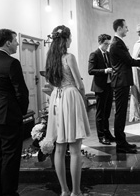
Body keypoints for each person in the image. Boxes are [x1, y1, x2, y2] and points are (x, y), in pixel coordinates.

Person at [43, 25, 91, 196]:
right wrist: (83, 101)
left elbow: (50, 84)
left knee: (60, 148)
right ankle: (76, 191)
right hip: (71, 96)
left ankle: (64, 190)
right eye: (70, 37)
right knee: (75, 148)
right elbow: (80, 84)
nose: (71, 40)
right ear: (65, 39)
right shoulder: (69, 57)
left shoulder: (51, 59)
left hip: (57, 97)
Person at [0, 29, 29, 196]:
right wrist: (22, 112)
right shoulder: (12, 63)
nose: (17, 43)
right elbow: (21, 91)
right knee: (10, 156)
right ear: (8, 43)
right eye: (15, 40)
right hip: (8, 116)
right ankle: (9, 192)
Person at [109, 19, 140, 153]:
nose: (127, 29)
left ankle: (122, 142)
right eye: (126, 27)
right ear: (119, 28)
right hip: (121, 82)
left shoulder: (117, 43)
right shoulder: (117, 43)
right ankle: (121, 144)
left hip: (121, 81)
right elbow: (129, 61)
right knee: (120, 113)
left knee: (121, 112)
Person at [88, 34, 115, 145]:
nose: (107, 46)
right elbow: (91, 71)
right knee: (100, 113)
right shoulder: (94, 54)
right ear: (100, 42)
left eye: (109, 44)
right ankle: (101, 136)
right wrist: (105, 71)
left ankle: (107, 133)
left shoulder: (108, 54)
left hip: (109, 85)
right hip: (99, 87)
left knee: (107, 112)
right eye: (105, 44)